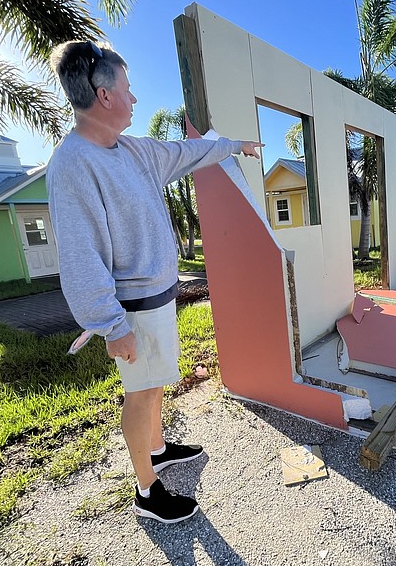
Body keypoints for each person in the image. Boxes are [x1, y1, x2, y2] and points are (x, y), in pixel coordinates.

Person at [47, 40, 262, 524]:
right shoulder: (73, 165)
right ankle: (147, 492)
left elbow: (187, 151)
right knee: (140, 393)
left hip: (158, 297)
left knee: (157, 382)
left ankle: (159, 448)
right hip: (132, 308)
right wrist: (109, 324)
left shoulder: (132, 150)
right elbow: (79, 257)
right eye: (128, 88)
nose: (135, 98)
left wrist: (234, 146)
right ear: (104, 95)